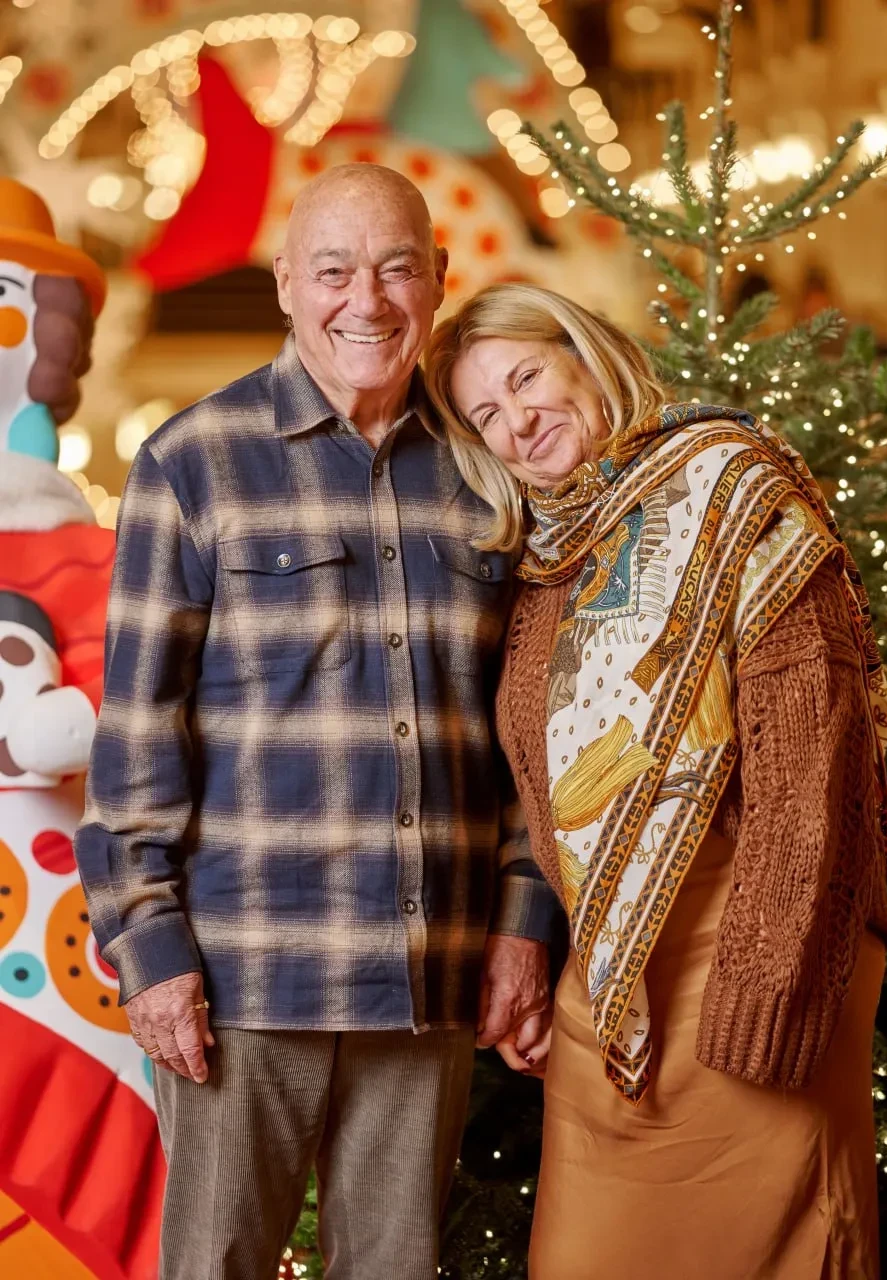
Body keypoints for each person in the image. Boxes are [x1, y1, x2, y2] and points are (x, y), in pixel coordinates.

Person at [75, 168, 556, 1280]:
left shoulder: (491, 469)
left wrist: (524, 919)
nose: (366, 300)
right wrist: (149, 953)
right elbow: (137, 737)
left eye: (396, 268)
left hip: (431, 977)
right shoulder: (191, 462)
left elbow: (529, 736)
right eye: (333, 270)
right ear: (287, 283)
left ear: (438, 280)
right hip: (242, 983)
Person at [425, 282, 887, 1280]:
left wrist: (766, 987)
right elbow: (547, 787)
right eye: (487, 414)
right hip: (608, 995)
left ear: (582, 352)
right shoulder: (546, 560)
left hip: (754, 959)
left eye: (526, 376)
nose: (518, 420)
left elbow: (812, 753)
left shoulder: (732, 485)